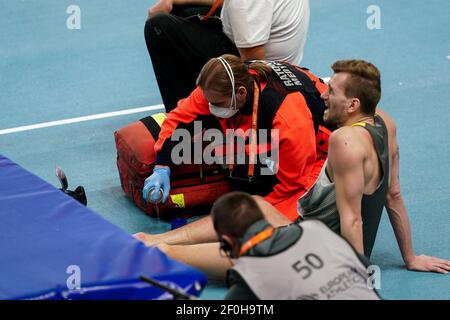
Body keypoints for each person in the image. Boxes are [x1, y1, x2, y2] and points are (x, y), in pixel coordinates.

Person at [135, 54, 332, 277]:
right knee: (246, 202)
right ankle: (157, 242)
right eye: (208, 101)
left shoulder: (287, 116)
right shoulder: (216, 84)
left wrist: (258, 210)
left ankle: (169, 250)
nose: (210, 106)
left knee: (266, 227)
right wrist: (163, 166)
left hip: (315, 152)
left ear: (240, 93)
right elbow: (177, 119)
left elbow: (292, 183)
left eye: (216, 103)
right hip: (265, 129)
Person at [259, 59, 450, 272]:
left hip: (311, 255)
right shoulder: (386, 123)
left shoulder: (343, 140)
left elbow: (352, 220)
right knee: (253, 206)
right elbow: (393, 195)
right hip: (310, 236)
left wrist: (356, 283)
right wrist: (411, 258)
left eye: (330, 91)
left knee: (227, 248)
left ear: (352, 104)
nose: (323, 96)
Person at [212, 192, 381, 300]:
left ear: (227, 242)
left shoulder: (250, 278)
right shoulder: (318, 229)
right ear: (264, 220)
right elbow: (366, 270)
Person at [145, 0, 310, 111]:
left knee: (159, 27)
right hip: (280, 59)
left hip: (267, 76)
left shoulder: (244, 4)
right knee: (184, 11)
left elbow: (253, 63)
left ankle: (188, 127)